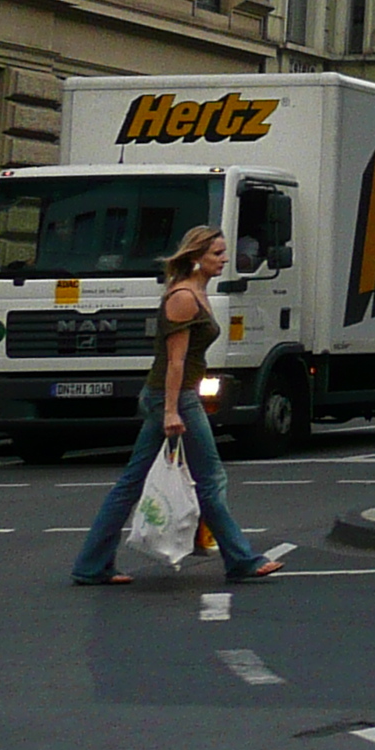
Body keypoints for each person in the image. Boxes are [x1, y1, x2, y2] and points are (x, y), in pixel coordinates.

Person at [68, 224, 281, 585]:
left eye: (223, 252)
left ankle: (91, 565)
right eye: (216, 253)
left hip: (177, 394)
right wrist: (170, 410)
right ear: (196, 256)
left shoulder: (198, 291)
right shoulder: (183, 297)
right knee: (210, 478)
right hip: (175, 395)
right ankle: (241, 559)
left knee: (132, 483)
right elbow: (175, 361)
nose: (224, 258)